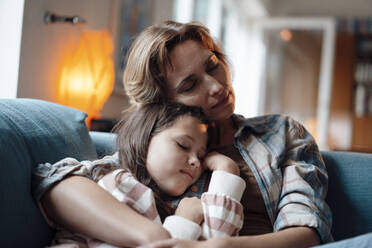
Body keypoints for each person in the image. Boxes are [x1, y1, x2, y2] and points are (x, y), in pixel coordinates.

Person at [33, 20, 333, 248]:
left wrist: (223, 246)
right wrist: (155, 237)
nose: (216, 87)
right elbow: (57, 183)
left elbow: (308, 231)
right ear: (162, 103)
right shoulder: (157, 151)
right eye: (190, 86)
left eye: (212, 66)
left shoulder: (281, 133)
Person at [38, 103, 246, 247]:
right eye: (183, 145)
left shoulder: (185, 203)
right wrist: (182, 223)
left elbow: (216, 241)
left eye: (201, 156)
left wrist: (226, 172)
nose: (195, 162)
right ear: (145, 140)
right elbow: (51, 179)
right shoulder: (115, 181)